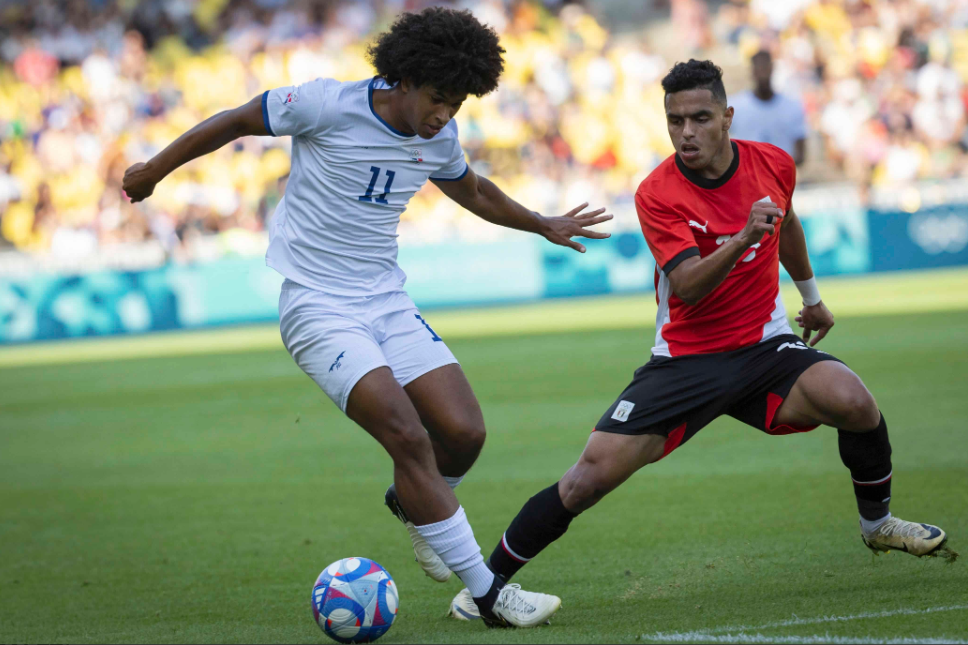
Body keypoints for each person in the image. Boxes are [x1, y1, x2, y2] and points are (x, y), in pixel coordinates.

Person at [121, 7, 613, 628]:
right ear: (404, 79)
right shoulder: (323, 104)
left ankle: (415, 506)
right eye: (438, 98)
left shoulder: (436, 137)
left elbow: (475, 192)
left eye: (458, 104)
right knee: (407, 436)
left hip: (386, 300)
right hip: (317, 305)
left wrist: (542, 223)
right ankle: (489, 595)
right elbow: (235, 121)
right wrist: (153, 172)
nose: (445, 115)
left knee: (463, 434)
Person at [448, 59, 947, 620]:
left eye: (699, 118)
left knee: (854, 400)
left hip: (764, 348)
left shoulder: (773, 164)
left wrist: (810, 296)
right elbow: (687, 288)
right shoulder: (657, 192)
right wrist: (740, 238)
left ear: (727, 117)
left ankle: (878, 524)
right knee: (587, 480)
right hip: (685, 362)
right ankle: (484, 590)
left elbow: (787, 224)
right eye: (674, 120)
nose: (686, 132)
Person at [728, 50, 807, 165]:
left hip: (780, 178)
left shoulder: (792, 106)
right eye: (759, 69)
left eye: (765, 69)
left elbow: (800, 153)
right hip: (746, 178)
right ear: (752, 71)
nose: (762, 74)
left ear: (772, 69)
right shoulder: (735, 107)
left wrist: (775, 168)